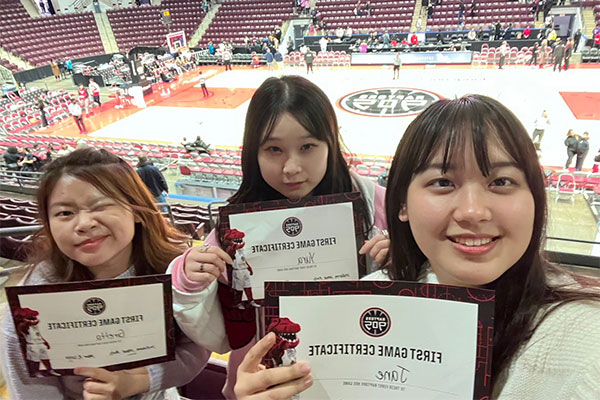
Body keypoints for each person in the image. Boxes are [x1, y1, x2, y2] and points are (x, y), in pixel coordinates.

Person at [234, 94, 600, 399]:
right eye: (442, 182)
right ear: (402, 205)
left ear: (536, 198)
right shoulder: (352, 307)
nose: (473, 211)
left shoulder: (585, 342)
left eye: (502, 181)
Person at [170, 76, 389, 399]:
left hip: (362, 375)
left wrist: (407, 264)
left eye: (307, 147)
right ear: (253, 152)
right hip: (265, 386)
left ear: (331, 143)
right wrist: (188, 278)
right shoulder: (235, 227)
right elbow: (220, 337)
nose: (291, 167)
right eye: (274, 149)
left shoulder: (379, 207)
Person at [0, 148, 215, 399]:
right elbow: (31, 390)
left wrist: (142, 380)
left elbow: (195, 347)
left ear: (136, 209)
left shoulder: (175, 271)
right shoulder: (28, 309)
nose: (84, 224)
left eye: (100, 205)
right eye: (65, 213)